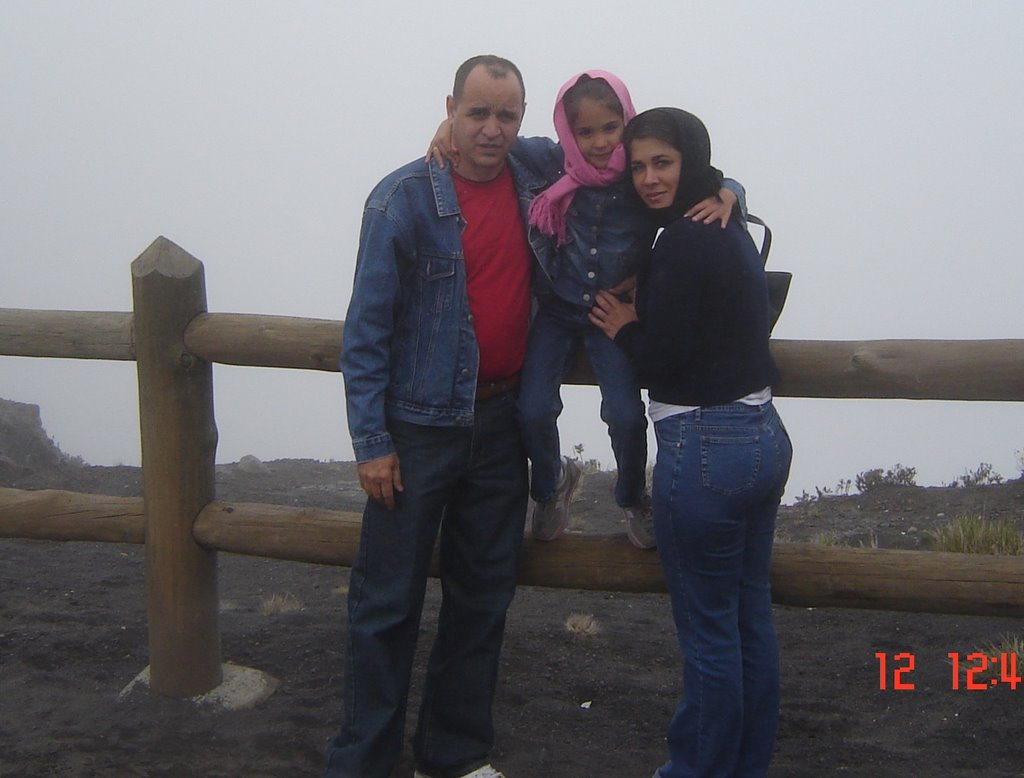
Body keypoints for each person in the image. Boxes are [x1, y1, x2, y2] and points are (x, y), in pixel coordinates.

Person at [325, 55, 547, 778]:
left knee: (482, 601)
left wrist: (723, 187)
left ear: (522, 117)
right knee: (386, 605)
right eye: (477, 112)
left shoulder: (536, 185)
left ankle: (451, 757)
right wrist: (372, 442)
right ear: (450, 106)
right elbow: (366, 332)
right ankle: (364, 762)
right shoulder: (402, 199)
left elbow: (625, 163)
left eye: (506, 115)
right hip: (416, 432)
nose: (491, 129)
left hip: (502, 422)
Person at [430, 71, 747, 550]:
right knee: (533, 409)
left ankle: (631, 496)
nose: (599, 143)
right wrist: (445, 127)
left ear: (627, 123)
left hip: (610, 317)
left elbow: (704, 179)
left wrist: (731, 193)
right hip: (556, 311)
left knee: (624, 415)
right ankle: (552, 483)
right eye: (585, 132)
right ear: (567, 131)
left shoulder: (640, 173)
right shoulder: (552, 161)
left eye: (610, 128)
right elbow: (497, 137)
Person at [589, 107, 793, 778]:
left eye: (663, 164)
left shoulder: (682, 238)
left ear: (690, 163)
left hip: (704, 449)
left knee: (709, 639)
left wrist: (622, 325)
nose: (649, 178)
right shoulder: (724, 220)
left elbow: (663, 358)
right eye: (640, 165)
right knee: (748, 622)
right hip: (763, 436)